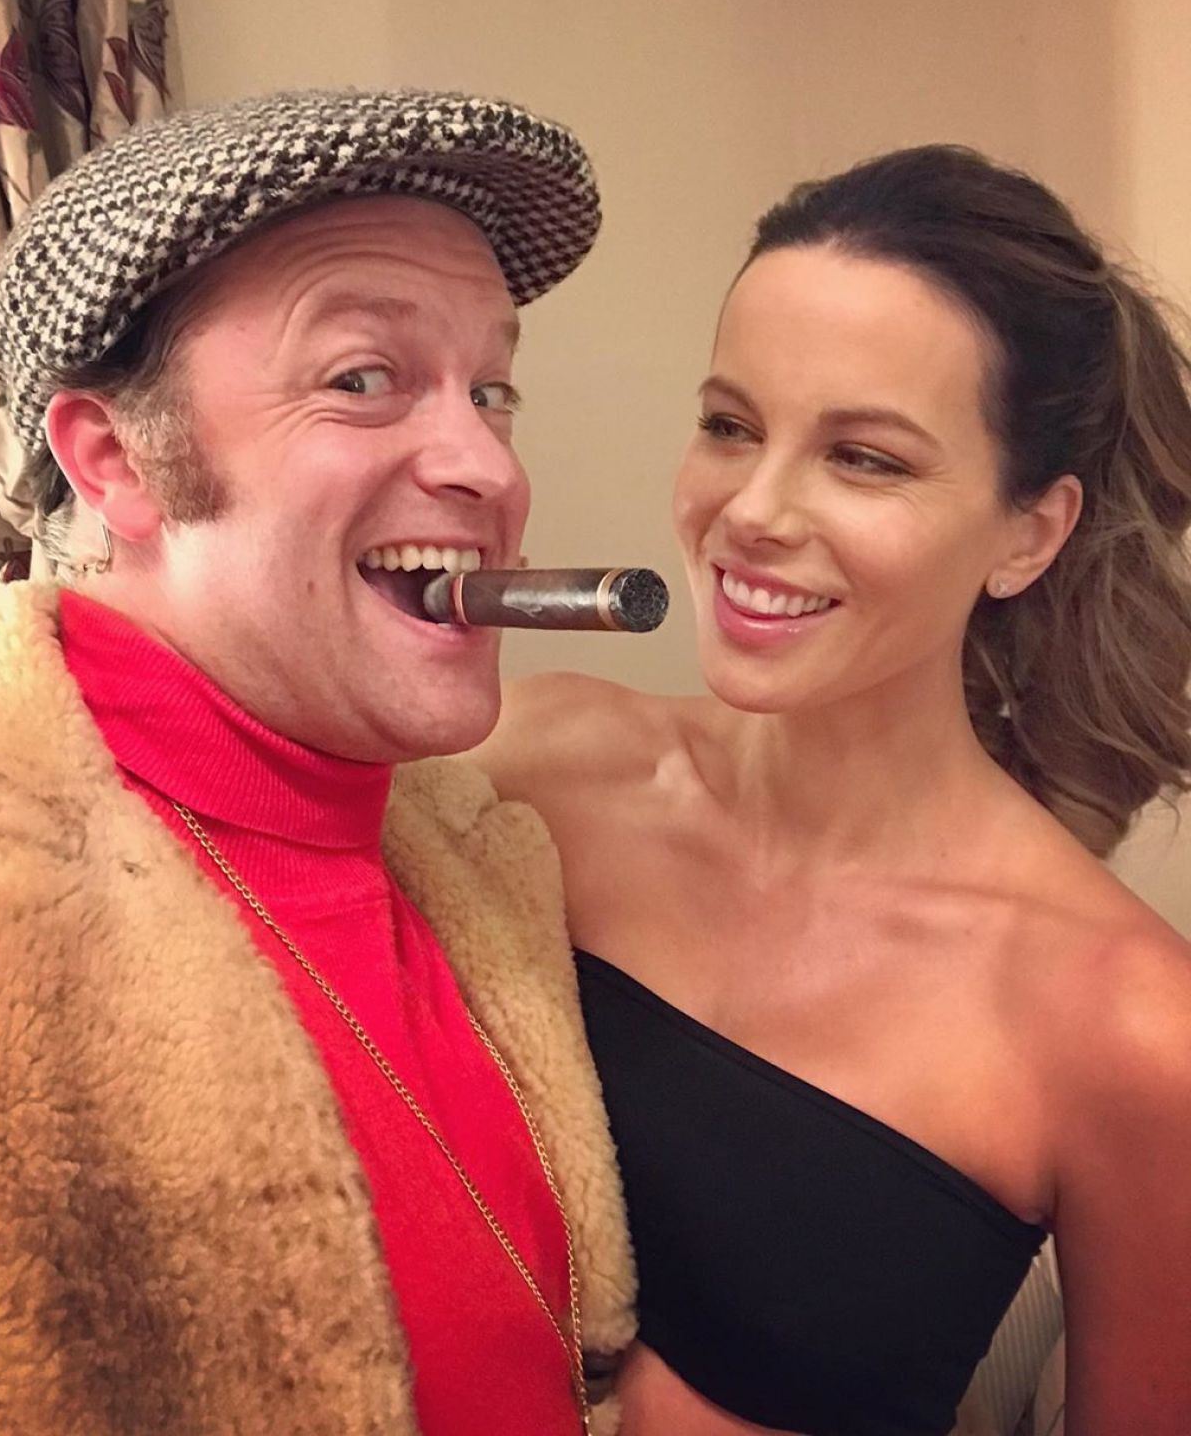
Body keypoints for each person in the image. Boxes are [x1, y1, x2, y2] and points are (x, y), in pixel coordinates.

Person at [0, 90, 634, 1436]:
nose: (488, 467)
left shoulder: (480, 854)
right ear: (117, 461)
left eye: (492, 390)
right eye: (362, 379)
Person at [474, 144, 1191, 1436]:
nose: (752, 510)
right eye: (730, 425)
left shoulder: (1129, 1024)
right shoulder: (529, 766)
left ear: (1030, 532)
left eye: (864, 459)